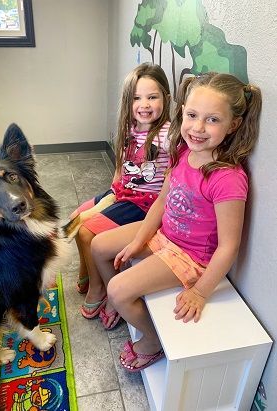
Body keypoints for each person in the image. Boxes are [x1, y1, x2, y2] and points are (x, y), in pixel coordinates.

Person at [90, 72, 262, 372]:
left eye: (212, 120)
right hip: (163, 236)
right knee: (99, 244)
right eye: (192, 115)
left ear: (233, 125)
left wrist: (199, 291)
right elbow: (161, 201)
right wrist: (138, 240)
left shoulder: (228, 179)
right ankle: (116, 303)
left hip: (190, 257)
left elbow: (229, 246)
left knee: (119, 289)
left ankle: (153, 339)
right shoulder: (183, 151)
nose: (197, 127)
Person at [70, 62, 171, 325]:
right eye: (137, 98)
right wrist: (111, 194)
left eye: (152, 97)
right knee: (76, 218)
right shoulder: (129, 128)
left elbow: (169, 183)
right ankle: (88, 272)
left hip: (144, 203)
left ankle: (100, 288)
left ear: (166, 99)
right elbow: (120, 168)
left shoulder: (168, 135)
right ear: (128, 101)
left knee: (86, 231)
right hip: (124, 192)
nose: (144, 104)